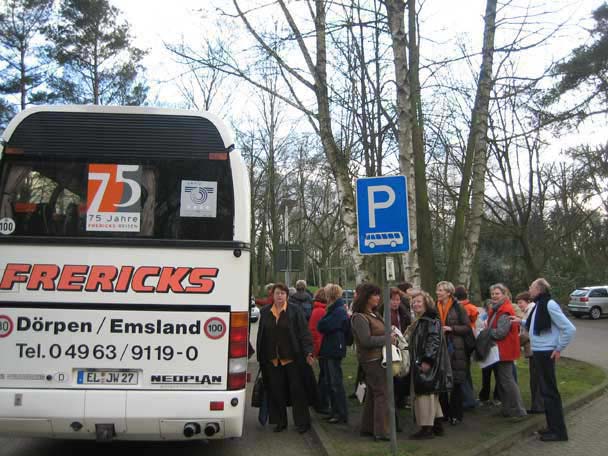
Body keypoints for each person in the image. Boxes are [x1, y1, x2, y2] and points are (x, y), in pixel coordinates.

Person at [513, 278, 576, 442]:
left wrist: (558, 348)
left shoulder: (549, 304)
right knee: (546, 391)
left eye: (531, 287)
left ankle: (559, 432)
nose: (529, 289)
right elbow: (534, 325)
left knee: (550, 392)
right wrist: (521, 321)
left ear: (539, 289)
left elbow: (569, 328)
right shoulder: (539, 305)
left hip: (546, 352)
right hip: (539, 352)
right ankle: (552, 427)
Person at [256, 283, 315, 433]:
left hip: (292, 358)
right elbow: (261, 335)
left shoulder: (295, 311)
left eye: (283, 293)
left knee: (297, 392)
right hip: (272, 359)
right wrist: (260, 356)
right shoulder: (265, 312)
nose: (280, 296)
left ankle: (302, 423)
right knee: (276, 391)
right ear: (273, 295)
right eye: (277, 293)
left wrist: (308, 351)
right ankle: (280, 422)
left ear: (287, 296)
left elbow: (304, 333)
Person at [407, 290, 453, 439]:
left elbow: (433, 341)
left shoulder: (429, 320)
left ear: (426, 303)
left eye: (419, 301)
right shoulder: (426, 319)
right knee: (431, 394)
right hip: (427, 362)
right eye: (413, 302)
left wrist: (427, 361)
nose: (415, 304)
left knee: (424, 394)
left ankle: (426, 429)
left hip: (427, 363)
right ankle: (438, 425)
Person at [350, 283, 390, 441]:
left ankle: (367, 427)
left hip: (379, 358)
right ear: (366, 297)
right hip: (372, 360)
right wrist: (387, 339)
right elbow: (366, 340)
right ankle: (381, 431)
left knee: (374, 393)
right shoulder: (360, 317)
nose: (378, 298)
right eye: (375, 295)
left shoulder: (374, 314)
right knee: (382, 393)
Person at [487, 283, 527, 418]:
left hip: (505, 351)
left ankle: (518, 411)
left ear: (504, 294)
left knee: (508, 381)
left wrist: (486, 332)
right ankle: (507, 408)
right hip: (499, 351)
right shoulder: (497, 309)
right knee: (503, 381)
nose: (494, 296)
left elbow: (500, 333)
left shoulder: (505, 310)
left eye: (497, 293)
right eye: (493, 294)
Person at [435, 280, 470, 425]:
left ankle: (456, 414)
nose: (438, 292)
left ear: (449, 293)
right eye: (437, 290)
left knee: (456, 381)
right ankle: (443, 413)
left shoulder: (458, 307)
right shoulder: (434, 307)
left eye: (441, 290)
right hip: (440, 346)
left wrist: (451, 329)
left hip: (456, 348)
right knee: (441, 380)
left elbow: (467, 327)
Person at [317, 283, 349, 424]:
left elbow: (323, 325)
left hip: (334, 349)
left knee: (335, 382)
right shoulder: (336, 309)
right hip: (332, 348)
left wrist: (323, 323)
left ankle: (340, 413)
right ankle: (335, 411)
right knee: (331, 382)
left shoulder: (338, 311)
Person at [515, 291, 544, 414]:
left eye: (520, 303)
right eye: (518, 303)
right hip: (534, 349)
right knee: (536, 378)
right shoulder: (528, 312)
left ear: (528, 301)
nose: (519, 305)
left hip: (535, 350)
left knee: (536, 379)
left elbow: (527, 333)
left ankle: (538, 406)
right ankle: (538, 404)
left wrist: (515, 343)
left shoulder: (531, 311)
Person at [386, 287, 411, 416]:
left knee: (403, 371)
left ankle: (401, 398)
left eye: (397, 300)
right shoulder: (384, 313)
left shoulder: (403, 313)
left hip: (402, 345)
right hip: (389, 347)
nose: (395, 303)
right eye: (393, 300)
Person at [454, 286, 479, 410]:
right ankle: (470, 398)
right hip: (470, 341)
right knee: (466, 371)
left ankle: (468, 399)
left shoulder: (461, 309)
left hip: (464, 342)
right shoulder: (472, 307)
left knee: (462, 372)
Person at [309, 288, 330, 414]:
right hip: (322, 348)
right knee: (324, 378)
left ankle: (319, 402)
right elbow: (317, 333)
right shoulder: (322, 311)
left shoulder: (317, 310)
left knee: (323, 377)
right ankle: (321, 403)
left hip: (319, 347)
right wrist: (317, 350)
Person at [479, 299, 500, 405]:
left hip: (495, 347)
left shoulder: (497, 316)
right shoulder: (483, 317)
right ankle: (484, 396)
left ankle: (497, 396)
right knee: (486, 373)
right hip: (486, 347)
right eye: (489, 307)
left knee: (498, 374)